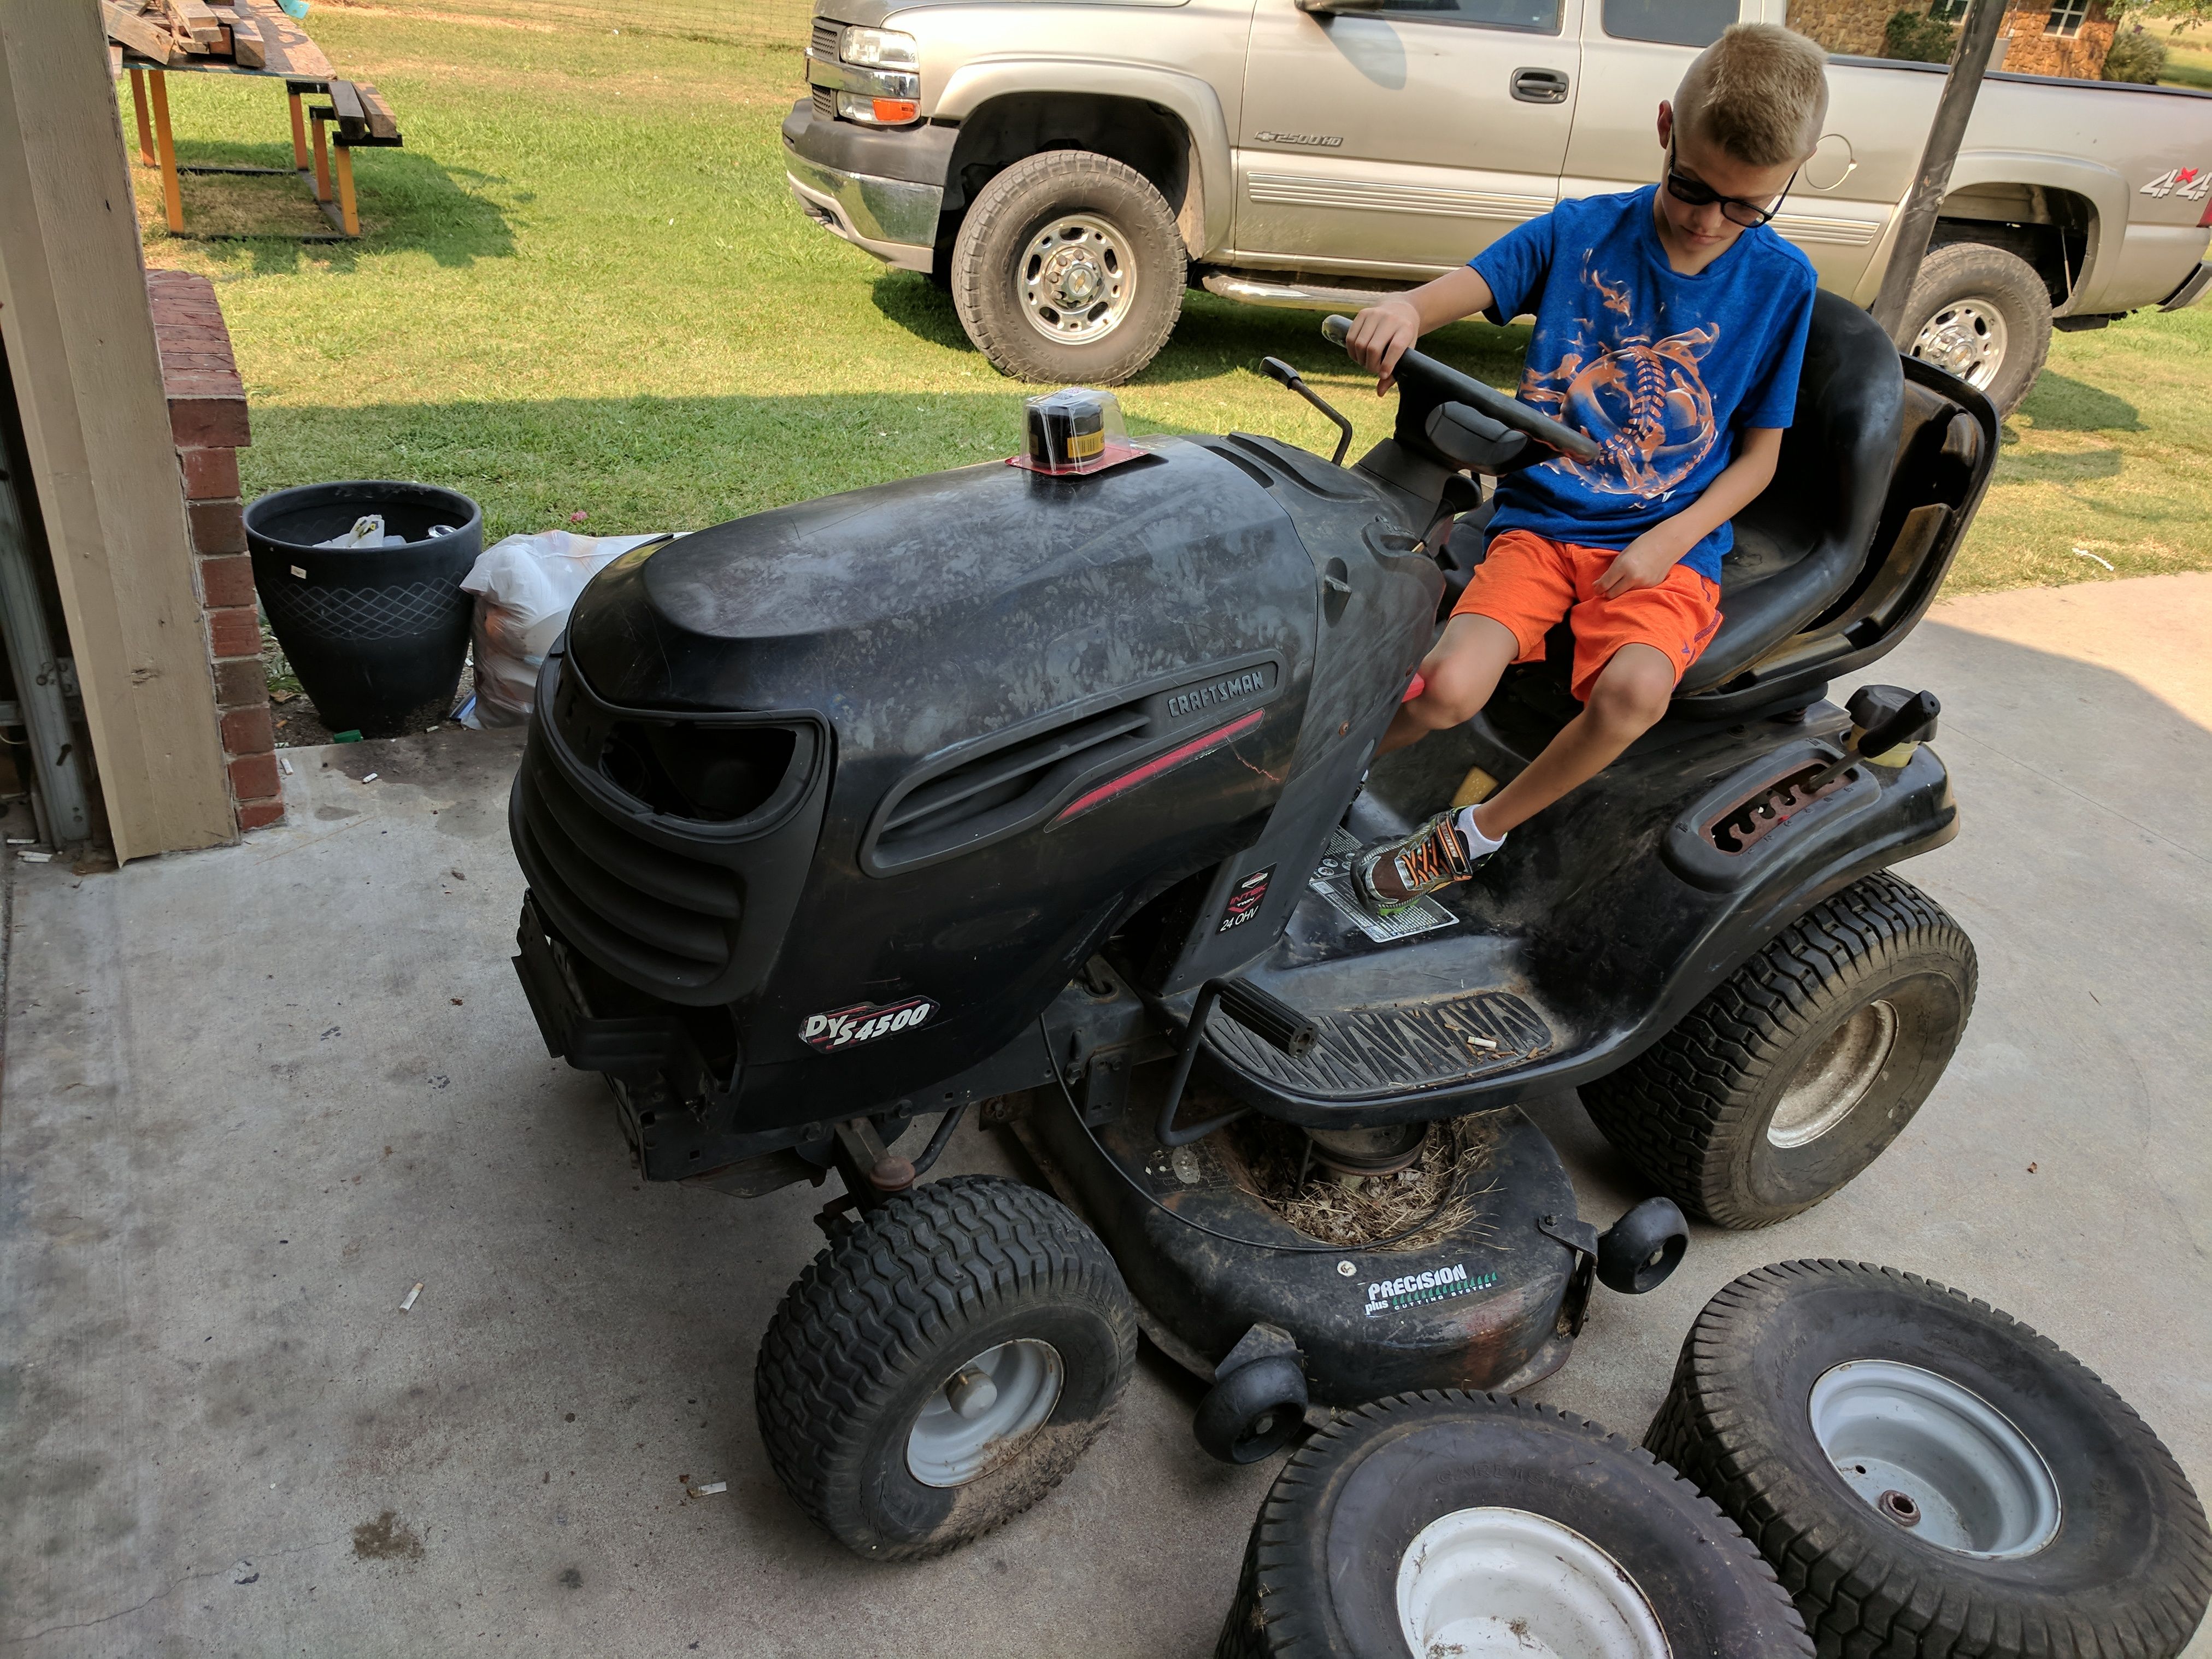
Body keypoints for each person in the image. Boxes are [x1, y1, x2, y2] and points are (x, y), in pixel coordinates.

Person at [1346, 22, 1828, 917]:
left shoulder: (1781, 285)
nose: (1706, 219)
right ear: (1664, 129)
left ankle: (1474, 834)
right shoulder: (1580, 235)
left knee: (1636, 691)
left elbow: (1759, 460)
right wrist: (1406, 311)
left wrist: (1669, 540)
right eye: (1692, 186)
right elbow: (1463, 286)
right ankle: (1307, 782)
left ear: (1785, 183)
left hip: (1665, 539)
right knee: (1447, 686)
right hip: (1545, 521)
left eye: (1744, 208)